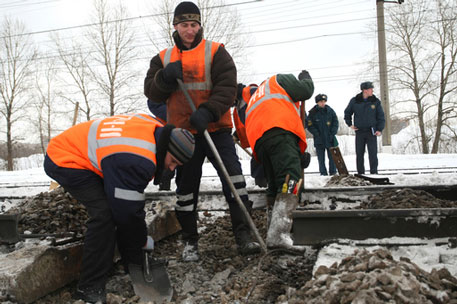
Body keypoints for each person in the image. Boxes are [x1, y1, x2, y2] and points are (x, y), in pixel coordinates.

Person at [144, 1, 260, 261]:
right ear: (175, 26)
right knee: (186, 189)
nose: (189, 30)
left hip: (215, 128)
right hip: (183, 134)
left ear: (200, 26)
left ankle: (244, 235)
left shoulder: (216, 52)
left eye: (194, 24)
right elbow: (150, 92)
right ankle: (190, 241)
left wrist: (209, 111)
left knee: (234, 180)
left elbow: (227, 85)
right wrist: (163, 78)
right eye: (184, 25)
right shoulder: (162, 59)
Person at [44, 113, 195, 303]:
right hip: (65, 158)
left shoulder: (157, 130)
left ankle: (129, 261)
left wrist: (135, 252)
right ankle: (88, 287)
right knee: (104, 215)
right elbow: (128, 213)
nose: (171, 169)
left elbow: (128, 208)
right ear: (165, 148)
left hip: (93, 154)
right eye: (172, 162)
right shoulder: (138, 159)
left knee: (119, 209)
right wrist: (140, 243)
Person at [244, 70, 314, 248]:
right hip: (279, 130)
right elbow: (305, 91)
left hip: (260, 142)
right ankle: (279, 235)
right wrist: (306, 80)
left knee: (276, 184)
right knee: (290, 178)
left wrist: (298, 155)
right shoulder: (280, 79)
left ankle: (272, 231)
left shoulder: (257, 96)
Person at [344, 81, 385, 174]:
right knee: (359, 154)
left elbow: (381, 116)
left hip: (372, 131)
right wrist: (350, 124)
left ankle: (374, 173)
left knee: (373, 154)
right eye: (371, 89)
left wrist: (379, 129)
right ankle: (360, 173)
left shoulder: (375, 101)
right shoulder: (355, 101)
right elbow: (347, 113)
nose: (372, 91)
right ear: (365, 90)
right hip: (360, 131)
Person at [233, 83, 268, 188]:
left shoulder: (251, 92)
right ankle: (263, 188)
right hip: (257, 137)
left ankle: (265, 188)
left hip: (266, 132)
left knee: (261, 164)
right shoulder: (238, 105)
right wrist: (236, 135)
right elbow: (246, 124)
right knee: (258, 165)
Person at [306, 93, 339, 176]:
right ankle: (323, 173)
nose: (323, 103)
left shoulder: (330, 111)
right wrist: (316, 134)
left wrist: (333, 132)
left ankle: (333, 173)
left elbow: (335, 122)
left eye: (324, 101)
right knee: (321, 159)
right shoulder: (312, 112)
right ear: (317, 102)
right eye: (321, 101)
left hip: (330, 138)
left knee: (332, 158)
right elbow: (309, 125)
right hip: (319, 139)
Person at [147, 99, 175, 190]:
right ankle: (164, 187)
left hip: (185, 126)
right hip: (165, 129)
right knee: (166, 162)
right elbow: (154, 103)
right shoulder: (162, 88)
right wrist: (175, 114)